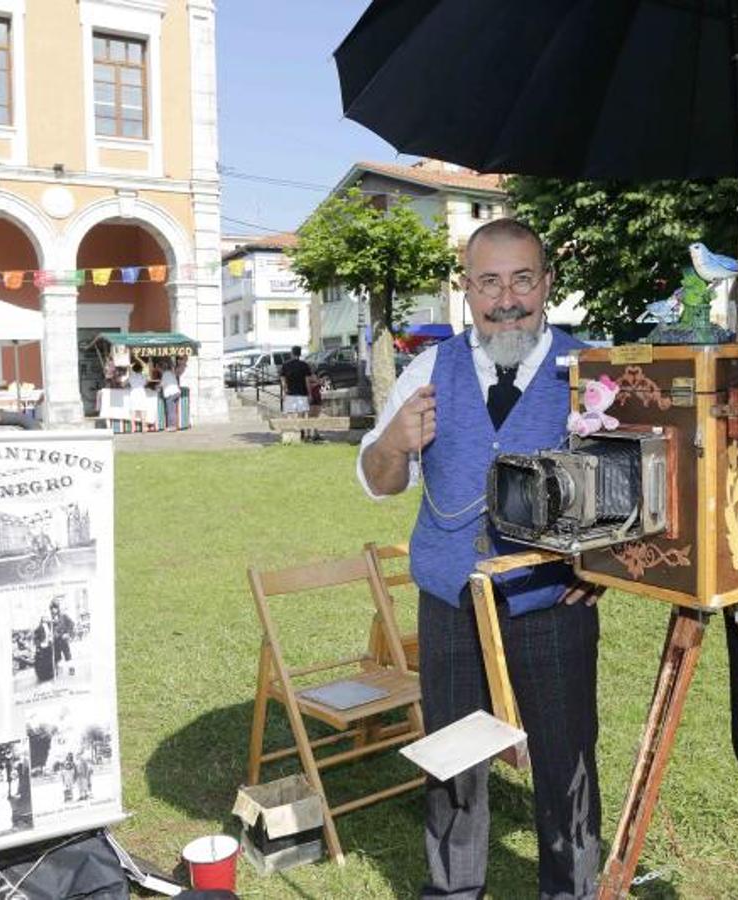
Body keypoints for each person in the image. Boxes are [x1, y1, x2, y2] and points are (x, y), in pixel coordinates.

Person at [358, 218, 604, 899]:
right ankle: (453, 891)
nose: (506, 299)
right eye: (488, 282)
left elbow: (644, 483)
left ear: (547, 284)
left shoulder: (591, 371)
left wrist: (604, 570)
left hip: (551, 601)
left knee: (566, 762)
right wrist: (397, 443)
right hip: (450, 601)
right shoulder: (428, 368)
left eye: (522, 279)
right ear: (465, 290)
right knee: (454, 764)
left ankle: (572, 890)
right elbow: (378, 481)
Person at [279, 346, 318, 440]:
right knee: (302, 415)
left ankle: (291, 434)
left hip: (290, 394)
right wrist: (310, 394)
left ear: (292, 353)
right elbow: (307, 381)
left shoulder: (285, 365)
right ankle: (302, 433)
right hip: (302, 393)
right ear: (300, 354)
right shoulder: (304, 365)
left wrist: (285, 392)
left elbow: (283, 381)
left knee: (290, 414)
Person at [159, 361, 182, 429]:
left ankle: (171, 426)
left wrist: (157, 386)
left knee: (170, 410)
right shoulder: (171, 373)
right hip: (176, 392)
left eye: (160, 369)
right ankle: (175, 425)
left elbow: (162, 384)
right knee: (173, 410)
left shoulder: (165, 374)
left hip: (170, 393)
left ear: (162, 369)